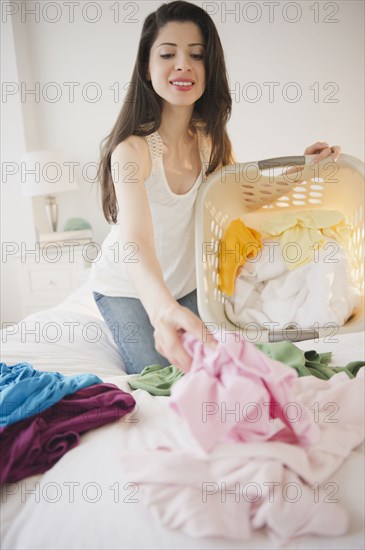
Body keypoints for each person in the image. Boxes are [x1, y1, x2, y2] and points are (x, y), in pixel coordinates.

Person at [90, 0, 341, 375]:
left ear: (210, 68)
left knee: (226, 365)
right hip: (127, 285)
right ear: (146, 67)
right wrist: (163, 311)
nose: (183, 65)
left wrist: (304, 170)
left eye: (196, 55)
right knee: (166, 374)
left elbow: (245, 195)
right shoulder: (132, 151)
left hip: (188, 282)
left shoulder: (210, 139)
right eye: (167, 54)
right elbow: (136, 245)